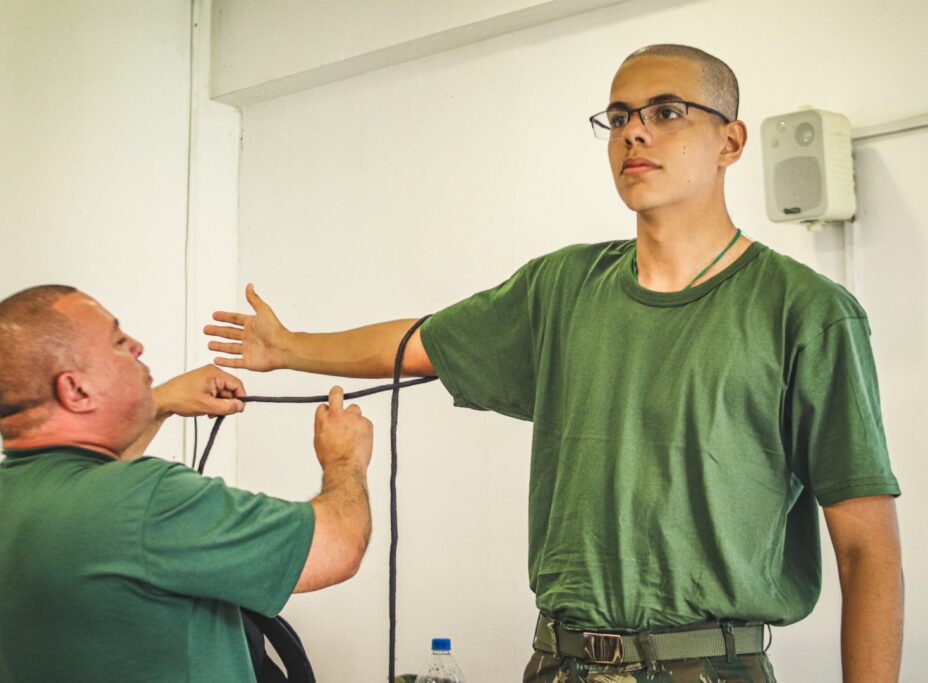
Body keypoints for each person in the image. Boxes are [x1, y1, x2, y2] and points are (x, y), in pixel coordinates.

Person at [203, 44, 903, 682]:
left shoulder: (805, 311)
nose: (634, 132)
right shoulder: (563, 288)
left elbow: (867, 552)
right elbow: (423, 343)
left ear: (731, 140)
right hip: (559, 662)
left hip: (709, 667)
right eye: (619, 116)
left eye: (666, 111)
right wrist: (288, 348)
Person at [0, 284, 374, 683]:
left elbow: (100, 508)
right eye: (118, 342)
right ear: (75, 389)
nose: (137, 345)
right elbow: (337, 547)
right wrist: (344, 457)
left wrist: (159, 402)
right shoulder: (146, 499)